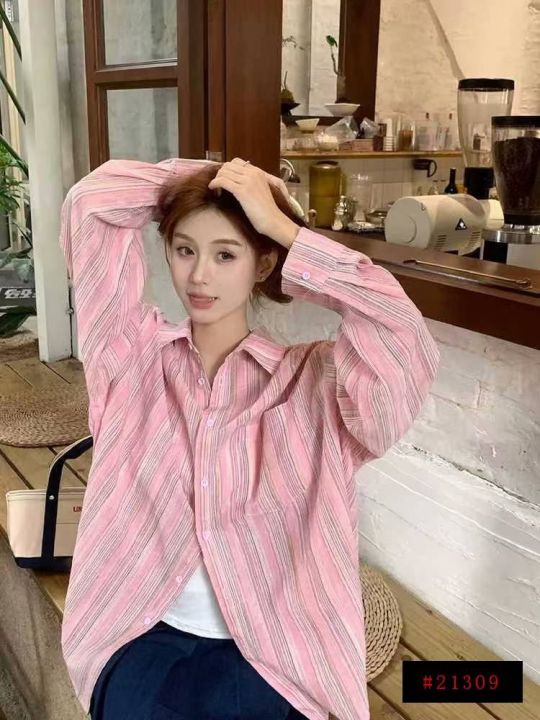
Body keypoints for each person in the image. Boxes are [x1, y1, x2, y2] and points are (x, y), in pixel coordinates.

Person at [58, 157, 440, 720]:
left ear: (262, 263)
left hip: (275, 657)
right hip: (141, 633)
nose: (199, 276)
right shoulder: (130, 362)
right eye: (184, 250)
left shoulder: (315, 386)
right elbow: (92, 204)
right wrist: (221, 176)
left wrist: (285, 228)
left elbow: (399, 332)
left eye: (225, 255)